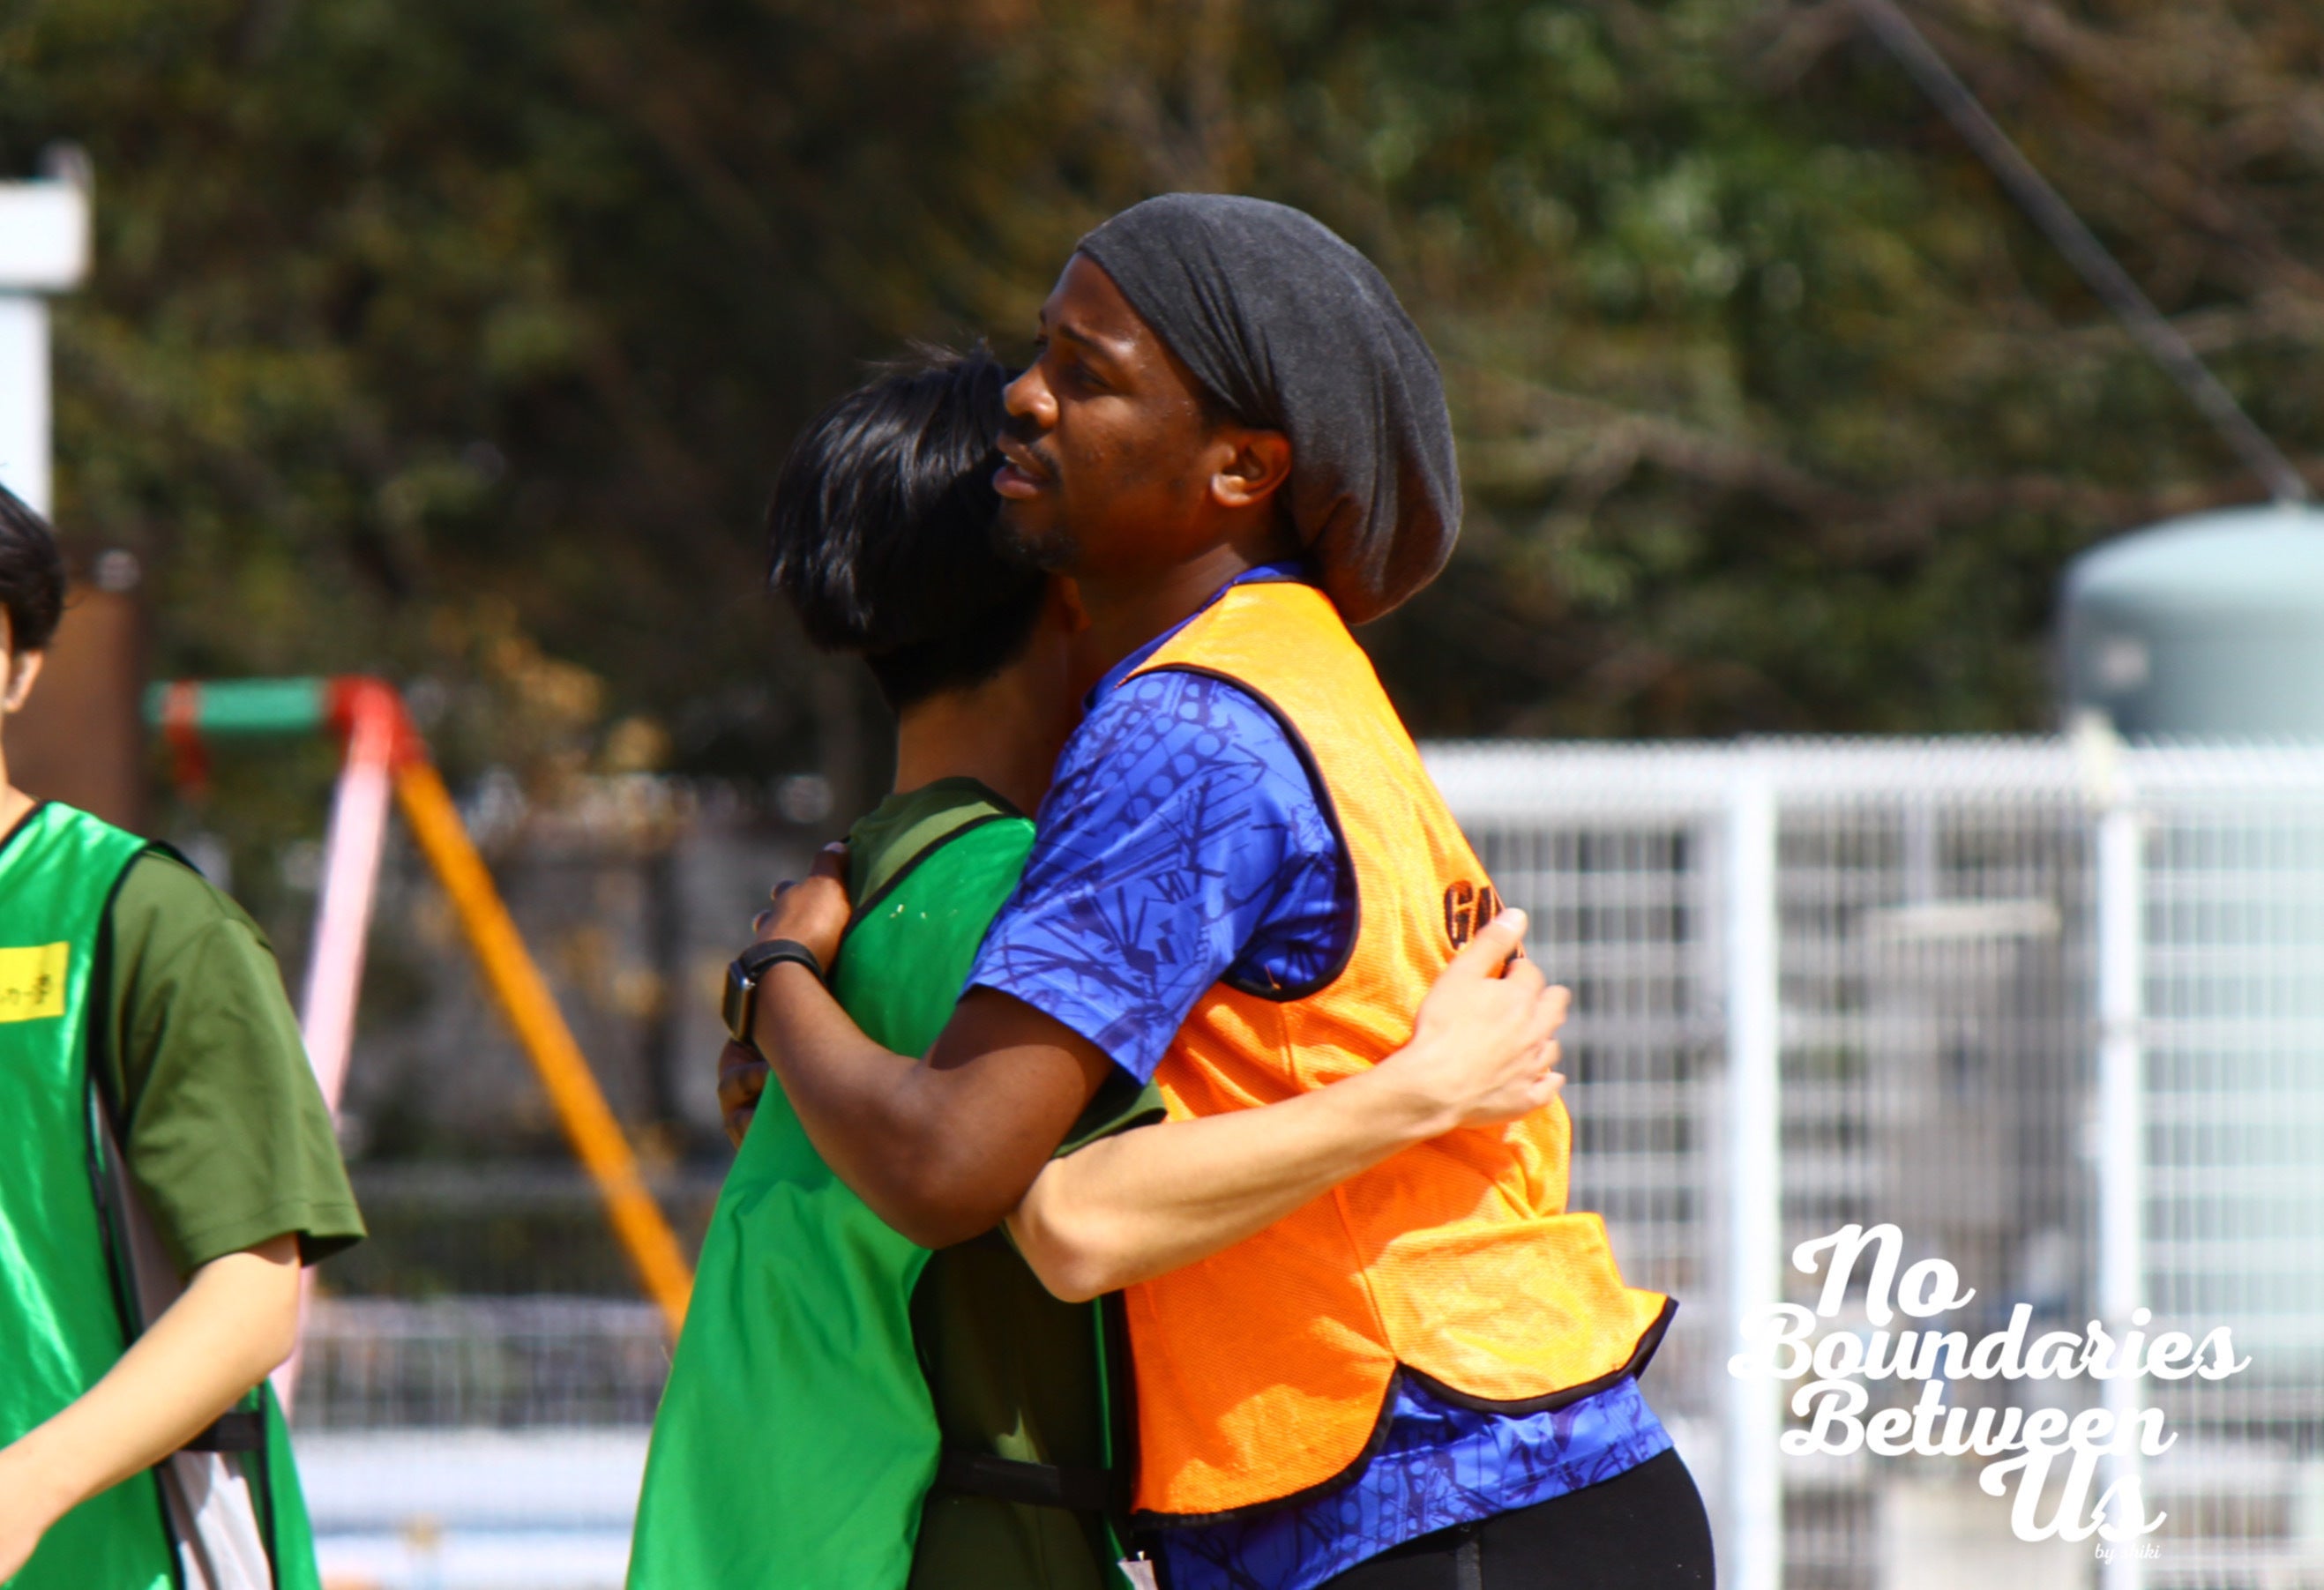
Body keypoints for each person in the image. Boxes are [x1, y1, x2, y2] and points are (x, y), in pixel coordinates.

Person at [747, 196, 1714, 1589]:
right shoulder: (1286, 670)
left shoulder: (1188, 726)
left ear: (1241, 467)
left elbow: (957, 1165)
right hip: (1475, 1498)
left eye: (1086, 374)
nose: (1023, 395)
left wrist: (772, 974)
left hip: (1436, 1503)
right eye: (1040, 350)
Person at [631, 350, 1571, 1590]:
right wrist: (1418, 1089)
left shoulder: (866, 884)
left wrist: (773, 980)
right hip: (966, 1544)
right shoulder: (1014, 895)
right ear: (1069, 591)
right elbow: (1074, 1215)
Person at [0, 482, 364, 1589]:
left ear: (20, 668)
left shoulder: (140, 918)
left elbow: (252, 1297)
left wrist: (27, 1486)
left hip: (127, 1562)